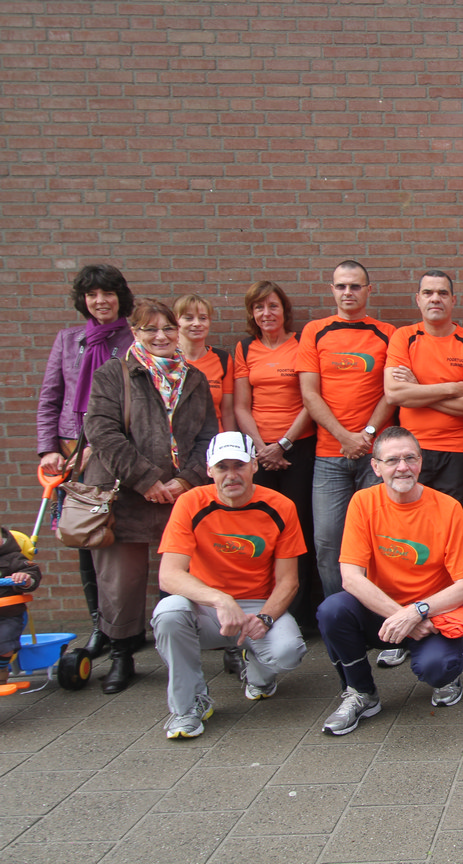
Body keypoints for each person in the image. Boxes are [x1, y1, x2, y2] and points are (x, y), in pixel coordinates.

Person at [83, 298, 218, 693]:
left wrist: (186, 480)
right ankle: (122, 655)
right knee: (120, 582)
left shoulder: (194, 378)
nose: (161, 336)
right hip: (124, 496)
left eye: (167, 328)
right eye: (150, 329)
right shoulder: (114, 374)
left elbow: (207, 436)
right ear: (135, 332)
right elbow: (102, 431)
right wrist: (146, 480)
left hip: (177, 497)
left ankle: (178, 651)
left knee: (178, 577)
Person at [317, 427, 463, 735]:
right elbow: (351, 578)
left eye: (410, 458)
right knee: (332, 611)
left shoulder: (448, 508)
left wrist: (416, 612)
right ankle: (361, 693)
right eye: (392, 460)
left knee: (438, 668)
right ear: (376, 467)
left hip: (430, 616)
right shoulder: (363, 502)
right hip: (383, 614)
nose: (402, 467)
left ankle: (449, 678)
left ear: (421, 462)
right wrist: (402, 616)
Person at [152, 433, 307, 739]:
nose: (231, 475)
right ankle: (189, 706)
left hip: (256, 605)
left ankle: (258, 670)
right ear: (210, 470)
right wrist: (220, 600)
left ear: (254, 466)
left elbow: (289, 580)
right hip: (205, 607)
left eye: (239, 465)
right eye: (222, 467)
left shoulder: (281, 506)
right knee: (168, 614)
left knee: (288, 652)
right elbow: (169, 576)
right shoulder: (190, 503)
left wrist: (265, 618)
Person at [382, 269, 463, 668]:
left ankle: (457, 627)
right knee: (405, 539)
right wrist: (452, 386)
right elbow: (394, 393)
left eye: (443, 292)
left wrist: (419, 387)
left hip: (459, 452)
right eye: (428, 292)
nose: (435, 299)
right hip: (411, 453)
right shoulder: (403, 337)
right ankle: (400, 626)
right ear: (418, 299)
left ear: (453, 300)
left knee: (454, 542)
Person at [36, 263, 135, 658]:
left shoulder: (134, 338)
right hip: (70, 454)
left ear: (120, 297)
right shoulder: (68, 340)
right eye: (92, 295)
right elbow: (50, 398)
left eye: (107, 293)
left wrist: (102, 444)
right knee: (84, 536)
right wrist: (48, 449)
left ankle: (123, 629)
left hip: (114, 452)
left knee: (117, 540)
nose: (100, 301)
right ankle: (99, 625)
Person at [297, 260, 396, 597]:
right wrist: (344, 436)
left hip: (377, 457)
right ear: (332, 290)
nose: (348, 292)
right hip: (329, 456)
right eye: (341, 286)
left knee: (380, 541)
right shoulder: (315, 331)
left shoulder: (387, 333)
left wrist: (367, 435)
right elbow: (309, 394)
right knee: (328, 542)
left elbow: (391, 392)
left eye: (355, 286)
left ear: (368, 290)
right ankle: (339, 614)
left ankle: (378, 616)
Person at [233, 281, 318, 628]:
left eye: (273, 306)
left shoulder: (301, 344)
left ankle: (300, 614)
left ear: (284, 310)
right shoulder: (244, 348)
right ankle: (263, 605)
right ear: (251, 313)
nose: (266, 313)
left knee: (299, 528)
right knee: (262, 527)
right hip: (259, 453)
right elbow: (241, 405)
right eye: (259, 307)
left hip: (298, 448)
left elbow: (311, 400)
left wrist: (283, 444)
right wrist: (261, 448)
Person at [174, 294, 235, 432]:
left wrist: (230, 441)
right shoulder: (168, 360)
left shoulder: (222, 359)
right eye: (188, 318)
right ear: (176, 321)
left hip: (215, 440)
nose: (197, 323)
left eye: (203, 318)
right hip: (179, 441)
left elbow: (227, 412)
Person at [0, 527, 41, 686]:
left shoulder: (13, 558)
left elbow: (32, 571)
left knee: (4, 643)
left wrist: (25, 578)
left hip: (8, 615)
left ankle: (1, 672)